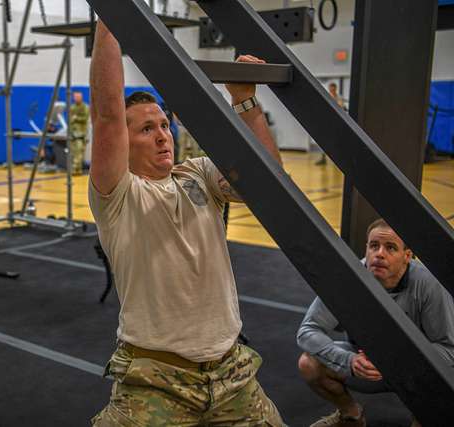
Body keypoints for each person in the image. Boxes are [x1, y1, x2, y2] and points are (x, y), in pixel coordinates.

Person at [88, 20, 284, 426]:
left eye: (164, 125)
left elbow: (268, 181)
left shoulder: (196, 174)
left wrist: (245, 103)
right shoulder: (119, 195)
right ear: (124, 144)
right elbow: (107, 116)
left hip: (232, 371)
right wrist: (109, 21)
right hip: (155, 378)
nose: (163, 135)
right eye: (146, 129)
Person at [297, 218, 454, 427]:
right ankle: (351, 415)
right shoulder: (348, 279)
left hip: (415, 371)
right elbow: (307, 331)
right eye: (374, 246)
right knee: (309, 364)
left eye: (390, 248)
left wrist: (401, 361)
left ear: (407, 256)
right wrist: (349, 360)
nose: (379, 253)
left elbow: (449, 348)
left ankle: (423, 417)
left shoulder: (428, 285)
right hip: (366, 365)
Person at [316, 82, 344, 166]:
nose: (332, 90)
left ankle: (339, 159)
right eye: (330, 89)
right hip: (327, 121)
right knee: (323, 140)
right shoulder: (327, 97)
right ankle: (323, 158)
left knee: (337, 141)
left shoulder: (339, 98)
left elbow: (341, 107)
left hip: (336, 122)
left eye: (333, 89)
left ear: (335, 89)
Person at [69, 91, 90, 175]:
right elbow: (70, 119)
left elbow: (85, 118)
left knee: (79, 152)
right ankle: (76, 169)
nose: (76, 98)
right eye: (75, 97)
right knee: (74, 152)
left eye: (78, 97)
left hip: (81, 133)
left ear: (81, 97)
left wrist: (76, 118)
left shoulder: (85, 107)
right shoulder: (72, 107)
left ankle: (77, 169)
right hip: (73, 133)